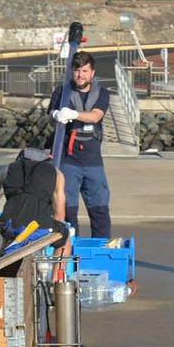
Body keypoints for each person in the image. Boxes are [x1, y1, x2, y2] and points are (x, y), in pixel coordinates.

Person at [49, 52, 110, 238]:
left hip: (92, 161)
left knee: (99, 209)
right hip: (68, 160)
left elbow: (96, 116)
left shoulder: (102, 93)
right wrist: (55, 115)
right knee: (68, 210)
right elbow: (51, 113)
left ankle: (100, 249)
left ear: (92, 73)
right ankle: (69, 251)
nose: (80, 75)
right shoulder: (62, 92)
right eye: (76, 71)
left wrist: (74, 114)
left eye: (84, 71)